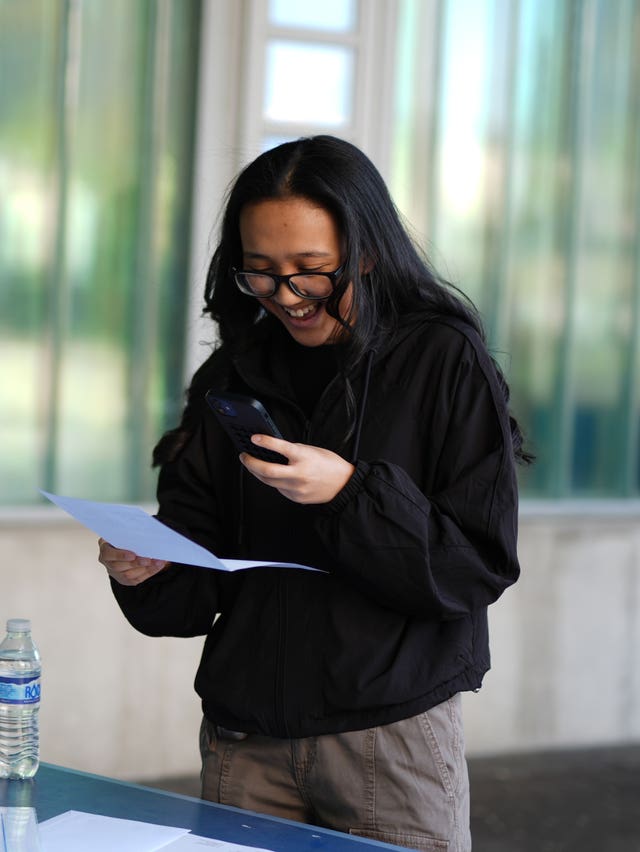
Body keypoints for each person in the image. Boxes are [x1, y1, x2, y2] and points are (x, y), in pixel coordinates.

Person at [99, 135, 527, 851]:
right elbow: (193, 578)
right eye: (261, 274)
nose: (287, 297)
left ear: (365, 251)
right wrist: (152, 565)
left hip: (388, 740)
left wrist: (350, 492)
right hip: (246, 740)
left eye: (311, 272)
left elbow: (474, 567)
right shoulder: (234, 375)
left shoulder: (442, 361)